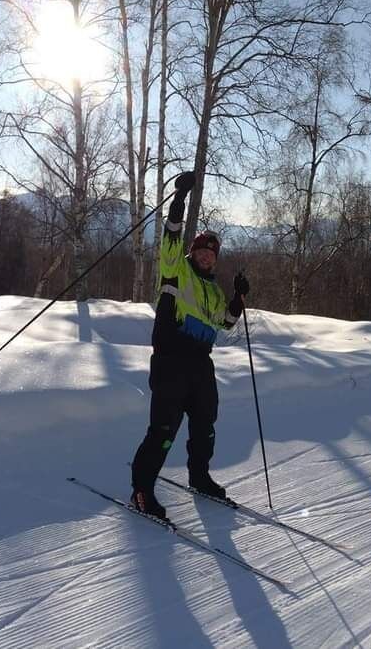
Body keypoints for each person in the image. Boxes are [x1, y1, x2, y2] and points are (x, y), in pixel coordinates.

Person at [130, 171, 250, 520]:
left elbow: (225, 323)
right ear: (193, 252)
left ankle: (199, 476)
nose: (206, 257)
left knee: (205, 424)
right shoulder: (175, 270)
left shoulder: (213, 290)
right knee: (163, 429)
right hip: (171, 360)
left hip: (200, 364)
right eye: (201, 251)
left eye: (212, 254)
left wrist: (238, 299)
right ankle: (141, 490)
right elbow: (171, 237)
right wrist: (179, 200)